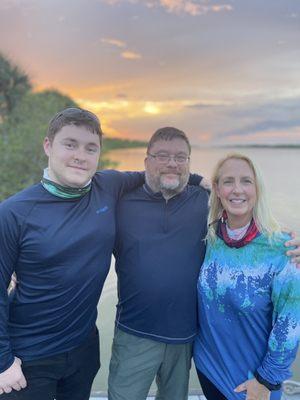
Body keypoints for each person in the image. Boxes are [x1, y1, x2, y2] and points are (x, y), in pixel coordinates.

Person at [0, 107, 145, 399]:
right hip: (28, 358)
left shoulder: (108, 185)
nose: (81, 155)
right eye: (70, 144)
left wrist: (198, 181)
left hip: (83, 350)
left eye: (91, 148)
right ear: (48, 146)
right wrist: (2, 362)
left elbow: (153, 175)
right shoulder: (13, 212)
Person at [193, 153, 300, 400]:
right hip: (208, 367)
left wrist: (266, 380)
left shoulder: (282, 249)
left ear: (258, 189)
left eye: (246, 181)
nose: (237, 189)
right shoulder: (209, 238)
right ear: (217, 190)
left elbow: (290, 324)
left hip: (252, 384)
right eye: (228, 181)